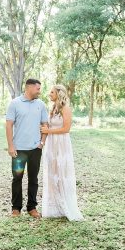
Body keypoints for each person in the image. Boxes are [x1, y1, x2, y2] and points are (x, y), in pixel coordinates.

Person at [39, 84, 84, 221]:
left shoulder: (66, 109)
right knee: (52, 173)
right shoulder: (53, 109)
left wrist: (48, 131)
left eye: (51, 92)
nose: (49, 94)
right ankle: (54, 208)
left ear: (59, 93)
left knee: (62, 173)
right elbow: (47, 126)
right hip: (52, 144)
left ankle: (66, 205)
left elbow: (66, 129)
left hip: (62, 144)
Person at [5, 78, 49, 218]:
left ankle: (32, 207)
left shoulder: (41, 105)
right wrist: (11, 146)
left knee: (33, 178)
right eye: (37, 89)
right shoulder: (15, 103)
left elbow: (45, 125)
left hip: (35, 150)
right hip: (19, 150)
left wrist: (41, 143)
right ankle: (16, 208)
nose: (39, 92)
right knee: (17, 178)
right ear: (29, 88)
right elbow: (9, 125)